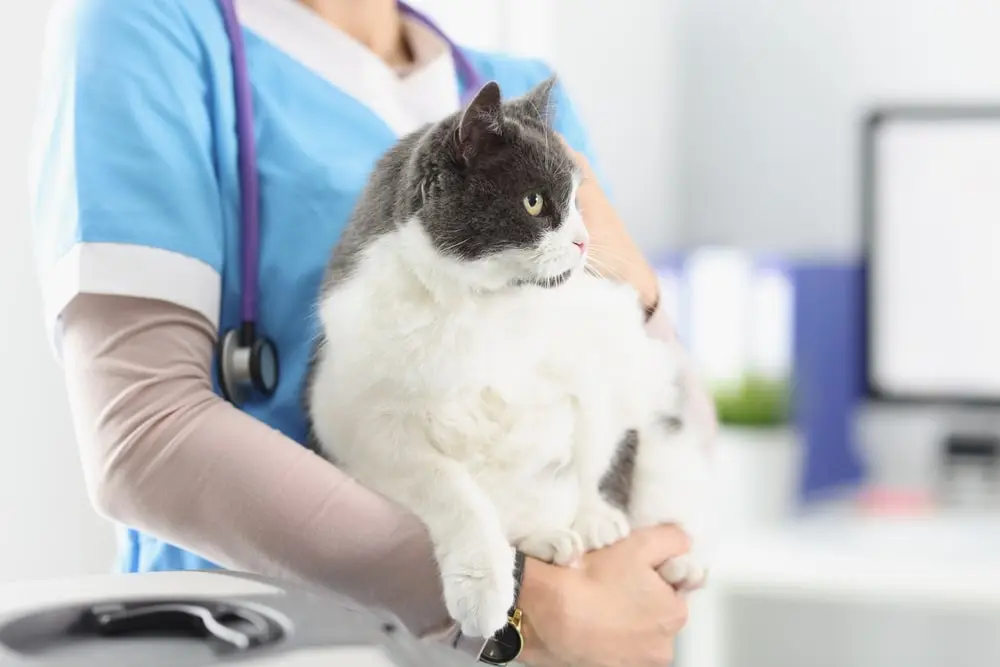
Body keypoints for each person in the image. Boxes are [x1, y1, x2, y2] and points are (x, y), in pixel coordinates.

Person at [28, 1, 716, 665]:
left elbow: (666, 409)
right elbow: (144, 435)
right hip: (260, 640)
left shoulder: (511, 90)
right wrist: (529, 609)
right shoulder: (144, 28)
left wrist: (646, 297)